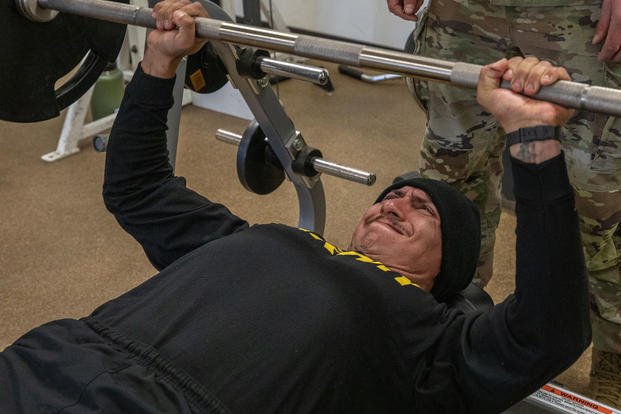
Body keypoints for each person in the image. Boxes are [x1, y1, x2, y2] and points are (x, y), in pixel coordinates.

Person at [0, 1, 590, 412]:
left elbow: (549, 330)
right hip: (53, 356)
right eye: (391, 196)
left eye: (422, 211)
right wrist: (159, 64)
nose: (395, 204)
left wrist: (531, 137)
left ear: (445, 273)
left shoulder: (431, 342)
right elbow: (138, 189)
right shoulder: (256, 240)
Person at [387, 0, 621, 405]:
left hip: (580, 17)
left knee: (599, 197)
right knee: (451, 173)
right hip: (461, 11)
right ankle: (449, 317)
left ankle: (615, 348)